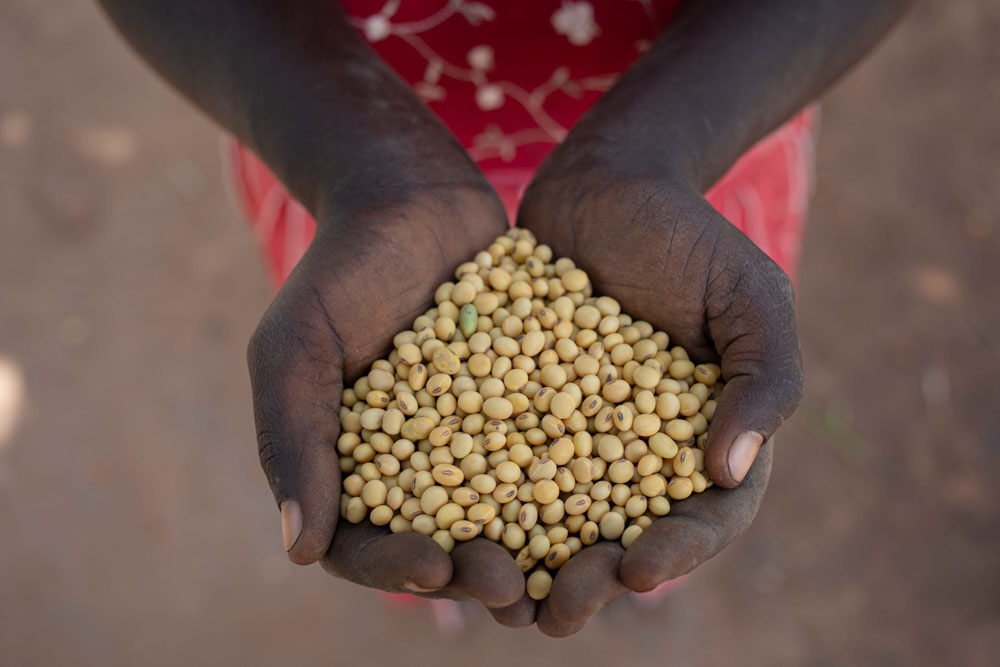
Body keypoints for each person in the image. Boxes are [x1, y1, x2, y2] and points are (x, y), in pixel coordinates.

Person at [98, 0, 910, 636]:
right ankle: (449, 592)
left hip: (698, 115)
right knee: (424, 531)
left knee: (686, 459)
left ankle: (627, 583)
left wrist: (652, 155)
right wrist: (356, 164)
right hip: (330, 117)